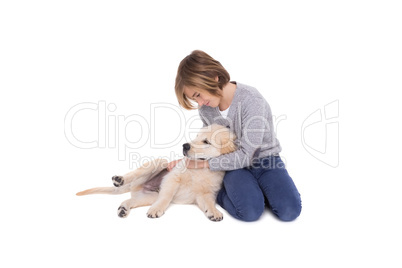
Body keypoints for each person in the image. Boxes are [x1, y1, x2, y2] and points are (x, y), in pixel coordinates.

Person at [167, 50, 301, 222]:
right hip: (232, 167)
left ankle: (259, 190)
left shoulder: (251, 101)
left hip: (266, 162)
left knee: (289, 211)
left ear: (214, 77)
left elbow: (246, 155)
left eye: (198, 94)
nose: (199, 103)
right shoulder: (206, 109)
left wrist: (204, 164)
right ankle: (220, 194)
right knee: (250, 212)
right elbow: (206, 144)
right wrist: (189, 160)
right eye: (195, 99)